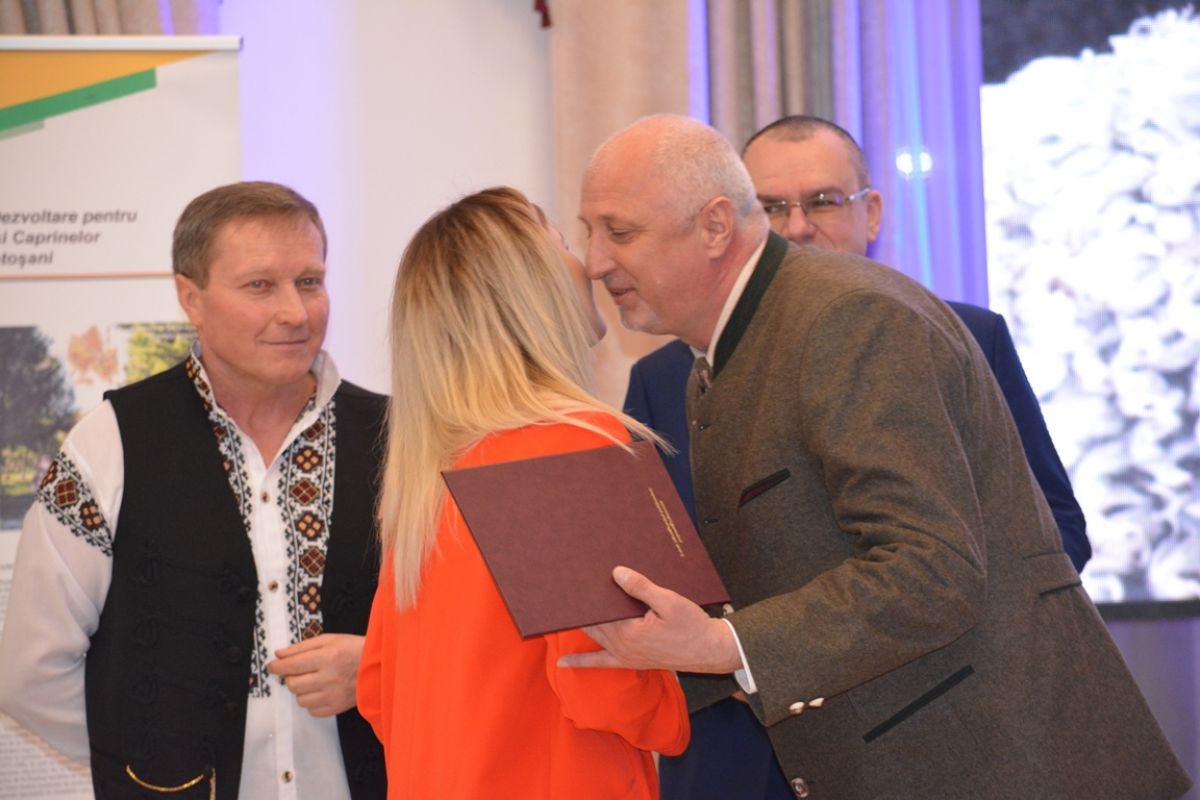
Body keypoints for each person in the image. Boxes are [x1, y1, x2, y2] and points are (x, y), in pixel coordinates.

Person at [564, 114, 1190, 799]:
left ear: (715, 227)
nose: (596, 262)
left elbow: (932, 571)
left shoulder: (849, 318)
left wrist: (725, 646)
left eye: (620, 232)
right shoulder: (727, 349)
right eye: (588, 232)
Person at [0, 181, 387, 799]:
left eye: (309, 281)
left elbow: (473, 641)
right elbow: (32, 670)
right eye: (260, 285)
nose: (295, 311)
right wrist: (148, 753)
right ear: (190, 298)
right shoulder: (111, 443)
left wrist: (384, 666)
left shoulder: (399, 439)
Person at [355, 186, 689, 799]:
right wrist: (689, 691)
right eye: (564, 242)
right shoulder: (577, 444)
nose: (591, 264)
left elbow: (377, 687)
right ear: (527, 288)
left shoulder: (431, 471)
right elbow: (607, 678)